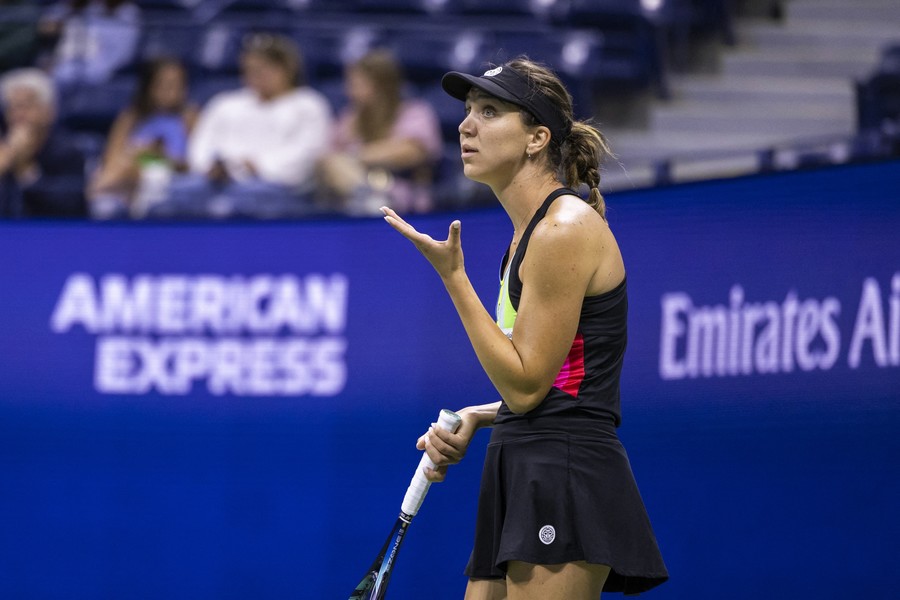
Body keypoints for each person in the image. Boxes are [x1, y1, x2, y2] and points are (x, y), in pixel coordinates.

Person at [381, 58, 668, 598]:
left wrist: (454, 279)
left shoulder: (564, 229)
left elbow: (528, 384)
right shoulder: (527, 236)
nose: (466, 126)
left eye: (489, 112)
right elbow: (553, 384)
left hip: (564, 469)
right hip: (522, 457)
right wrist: (475, 415)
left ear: (537, 138)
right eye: (468, 111)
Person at [150, 33, 333, 219]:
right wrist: (211, 167)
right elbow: (201, 145)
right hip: (217, 182)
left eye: (262, 70)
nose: (255, 77)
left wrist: (258, 166)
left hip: (276, 187)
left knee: (249, 197)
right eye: (249, 71)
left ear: (286, 69)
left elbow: (308, 154)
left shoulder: (309, 105)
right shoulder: (225, 103)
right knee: (175, 193)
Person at [317, 49, 442, 215]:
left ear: (381, 85)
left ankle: (374, 200)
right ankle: (369, 198)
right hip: (353, 195)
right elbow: (331, 157)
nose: (349, 91)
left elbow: (411, 151)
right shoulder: (350, 117)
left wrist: (355, 157)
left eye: (357, 84)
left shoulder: (414, 112)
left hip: (403, 192)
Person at [89, 57, 198, 218]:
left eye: (177, 85)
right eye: (165, 85)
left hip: (169, 178)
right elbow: (112, 157)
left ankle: (94, 191)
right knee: (117, 173)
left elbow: (194, 166)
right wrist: (137, 154)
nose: (172, 92)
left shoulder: (189, 117)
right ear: (149, 87)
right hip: (128, 174)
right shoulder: (131, 117)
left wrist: (159, 155)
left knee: (143, 173)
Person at [0, 67, 86, 217]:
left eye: (26, 106)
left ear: (49, 112)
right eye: (12, 108)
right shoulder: (3, 148)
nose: (18, 115)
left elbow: (67, 208)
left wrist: (24, 168)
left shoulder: (68, 153)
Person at [38, 0, 140, 86]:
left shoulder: (130, 14)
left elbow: (123, 58)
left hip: (101, 78)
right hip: (63, 72)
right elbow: (47, 26)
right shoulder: (91, 7)